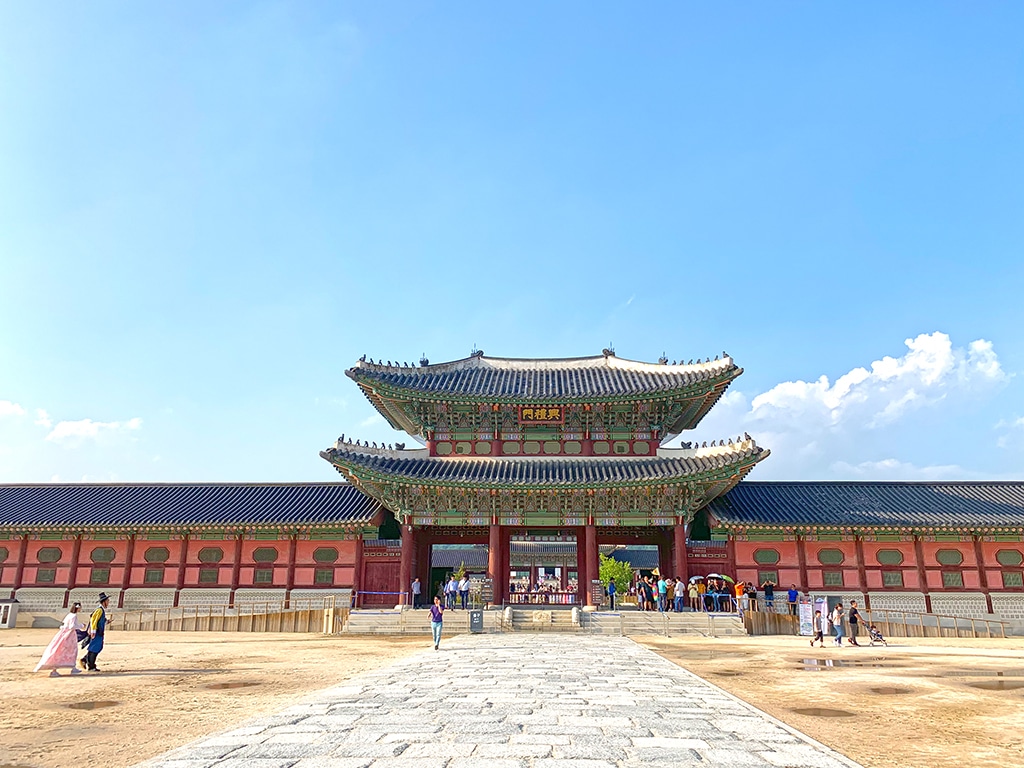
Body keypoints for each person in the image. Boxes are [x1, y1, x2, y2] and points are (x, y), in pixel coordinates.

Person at [34, 602, 85, 677]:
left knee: (60, 650)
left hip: (65, 634)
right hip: (69, 635)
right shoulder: (73, 616)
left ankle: (70, 667)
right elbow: (71, 626)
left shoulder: (69, 615)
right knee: (71, 650)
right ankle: (70, 667)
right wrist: (81, 625)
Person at [82, 592, 110, 672]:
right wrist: (93, 631)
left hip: (99, 632)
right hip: (97, 632)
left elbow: (100, 621)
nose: (108, 603)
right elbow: (93, 621)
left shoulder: (101, 610)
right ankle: (91, 665)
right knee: (94, 648)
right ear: (104, 602)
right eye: (107, 601)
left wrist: (107, 622)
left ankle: (85, 659)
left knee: (97, 648)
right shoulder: (99, 610)